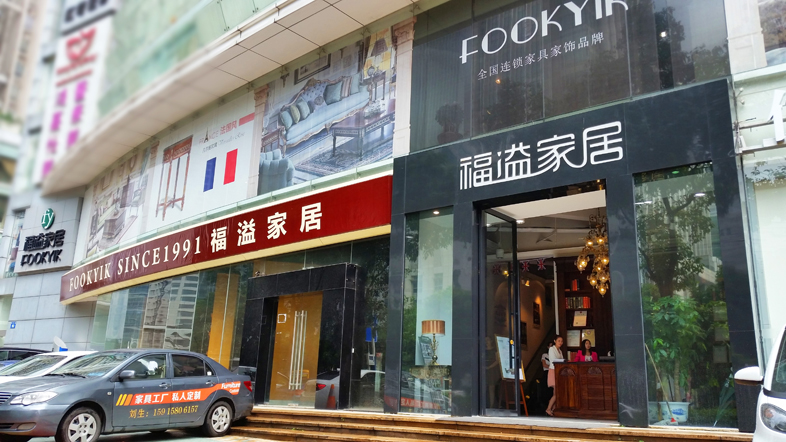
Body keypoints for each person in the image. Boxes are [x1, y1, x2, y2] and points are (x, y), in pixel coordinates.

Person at [546, 335, 564, 416]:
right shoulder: (551, 349)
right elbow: (553, 360)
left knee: (556, 392)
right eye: (559, 341)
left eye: (561, 341)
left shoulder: (560, 351)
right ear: (555, 341)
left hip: (558, 371)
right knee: (557, 392)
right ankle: (548, 409)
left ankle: (553, 409)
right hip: (553, 371)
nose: (560, 342)